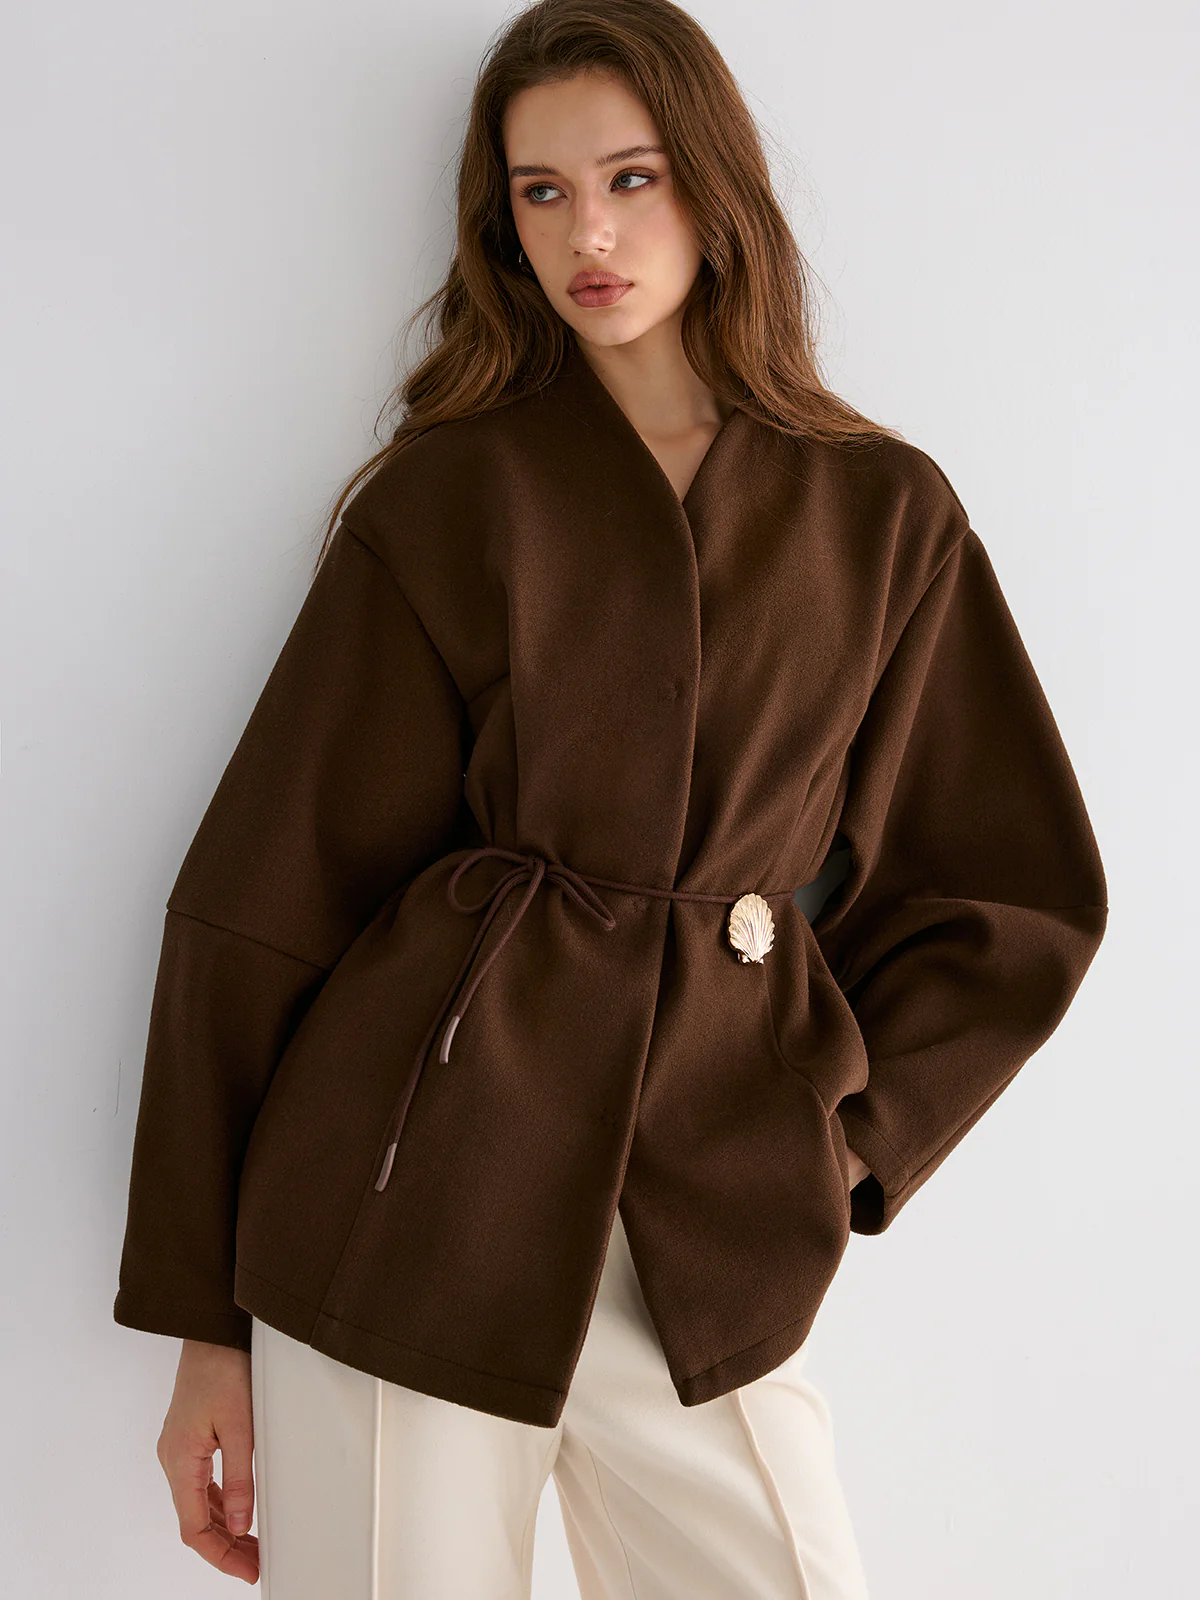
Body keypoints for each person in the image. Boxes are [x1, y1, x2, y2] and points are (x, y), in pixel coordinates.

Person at [114, 1, 1108, 1595]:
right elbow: (261, 902)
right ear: (501, 223)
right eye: (544, 192)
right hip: (403, 1218)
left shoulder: (880, 513)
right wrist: (199, 1324)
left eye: (631, 178)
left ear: (714, 186)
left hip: (708, 1232)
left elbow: (1012, 894)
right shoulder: (453, 495)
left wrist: (842, 1150)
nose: (590, 233)